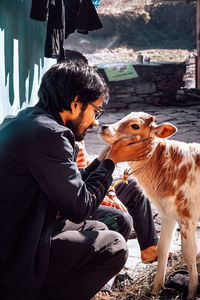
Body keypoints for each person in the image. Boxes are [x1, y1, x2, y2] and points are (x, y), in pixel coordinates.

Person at [0, 61, 153, 300]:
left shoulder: (30, 121)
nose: (95, 122)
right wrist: (112, 160)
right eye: (96, 111)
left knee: (109, 224)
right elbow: (79, 207)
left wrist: (106, 157)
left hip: (26, 231)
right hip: (16, 251)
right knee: (113, 245)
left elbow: (67, 185)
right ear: (75, 103)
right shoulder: (50, 135)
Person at [76, 140, 158, 264]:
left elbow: (86, 174)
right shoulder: (58, 139)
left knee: (135, 188)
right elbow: (75, 192)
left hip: (91, 191)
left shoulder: (76, 135)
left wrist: (108, 191)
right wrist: (106, 197)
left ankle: (149, 250)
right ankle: (108, 270)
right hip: (77, 206)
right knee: (120, 218)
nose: (95, 123)